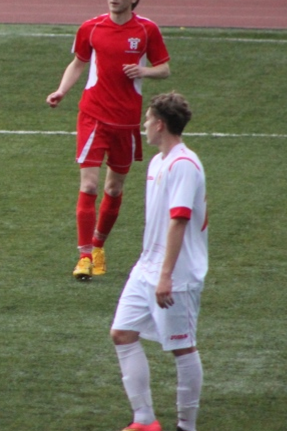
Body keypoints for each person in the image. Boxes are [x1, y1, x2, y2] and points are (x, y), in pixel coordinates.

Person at [46, 0, 171, 280]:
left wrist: (143, 71)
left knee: (114, 188)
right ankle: (84, 256)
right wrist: (61, 91)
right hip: (93, 116)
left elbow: (164, 69)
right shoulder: (91, 27)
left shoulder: (146, 30)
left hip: (126, 122)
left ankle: (99, 246)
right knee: (89, 185)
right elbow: (78, 63)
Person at [110, 92, 207, 431]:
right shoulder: (157, 163)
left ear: (161, 124)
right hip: (145, 267)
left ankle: (186, 426)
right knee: (122, 333)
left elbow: (179, 220)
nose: (144, 124)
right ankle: (144, 420)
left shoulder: (184, 165)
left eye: (148, 119)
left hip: (175, 273)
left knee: (182, 348)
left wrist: (166, 276)